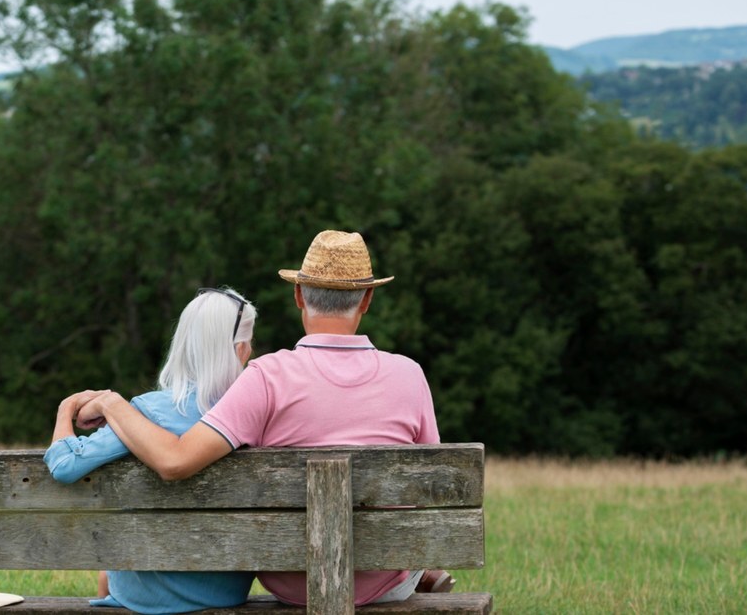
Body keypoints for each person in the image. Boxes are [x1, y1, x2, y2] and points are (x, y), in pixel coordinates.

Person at [63, 229, 454, 607]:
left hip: (292, 580)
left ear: (298, 295)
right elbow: (431, 484)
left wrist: (114, 405)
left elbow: (175, 462)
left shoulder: (266, 377)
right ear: (367, 300)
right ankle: (425, 574)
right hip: (382, 577)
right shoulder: (410, 375)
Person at [46, 287, 259, 614]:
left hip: (146, 597)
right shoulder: (254, 417)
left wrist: (66, 409)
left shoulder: (145, 414)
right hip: (225, 591)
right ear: (241, 349)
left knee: (109, 574)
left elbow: (63, 465)